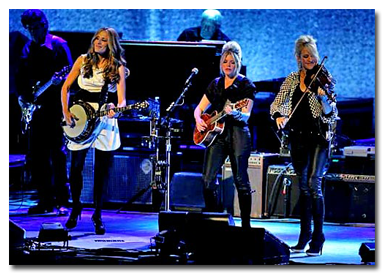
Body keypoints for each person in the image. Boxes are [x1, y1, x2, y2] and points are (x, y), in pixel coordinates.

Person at [270, 35, 338, 256]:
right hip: (298, 139)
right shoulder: (291, 79)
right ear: (299, 58)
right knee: (304, 187)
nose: (309, 60)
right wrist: (279, 115)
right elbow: (275, 104)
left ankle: (318, 238)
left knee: (314, 184)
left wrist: (323, 100)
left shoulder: (323, 79)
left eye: (312, 56)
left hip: (319, 138)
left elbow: (331, 115)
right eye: (305, 56)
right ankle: (304, 236)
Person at [61, 27, 128, 235]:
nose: (99, 42)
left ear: (111, 44)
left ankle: (98, 213)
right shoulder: (82, 60)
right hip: (81, 115)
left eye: (104, 40)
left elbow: (122, 99)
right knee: (76, 167)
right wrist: (66, 112)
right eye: (97, 39)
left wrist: (115, 111)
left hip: (104, 119)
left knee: (102, 170)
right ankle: (76, 206)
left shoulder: (117, 66)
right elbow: (65, 88)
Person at [16, 9, 73, 215]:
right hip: (36, 109)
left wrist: (58, 84)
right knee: (37, 157)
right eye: (29, 28)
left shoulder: (59, 45)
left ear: (44, 25)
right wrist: (22, 98)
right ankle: (44, 199)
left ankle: (62, 200)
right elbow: (20, 77)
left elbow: (70, 75)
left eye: (36, 27)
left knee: (57, 155)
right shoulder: (28, 48)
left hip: (55, 108)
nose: (33, 31)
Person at [194, 41, 256, 228]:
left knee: (240, 179)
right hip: (217, 136)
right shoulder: (215, 84)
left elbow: (246, 115)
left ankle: (245, 225)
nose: (228, 65)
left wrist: (235, 112)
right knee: (207, 179)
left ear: (238, 63)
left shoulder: (246, 85)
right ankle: (215, 221)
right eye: (225, 62)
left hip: (238, 133)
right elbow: (199, 109)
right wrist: (198, 119)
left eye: (232, 62)